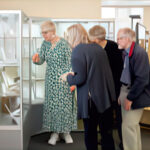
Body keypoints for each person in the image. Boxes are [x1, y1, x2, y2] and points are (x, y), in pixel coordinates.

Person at [61, 24, 116, 150]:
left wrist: (67, 77)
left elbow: (80, 79)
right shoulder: (98, 48)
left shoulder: (78, 50)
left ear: (72, 37)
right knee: (106, 135)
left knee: (90, 136)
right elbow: (95, 73)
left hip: (91, 101)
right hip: (105, 99)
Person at [32, 21, 77, 146]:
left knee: (64, 106)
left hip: (64, 80)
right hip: (50, 80)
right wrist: (36, 59)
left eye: (45, 32)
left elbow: (71, 63)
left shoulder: (64, 43)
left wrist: (72, 82)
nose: (43, 35)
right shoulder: (45, 44)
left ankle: (66, 132)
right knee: (52, 106)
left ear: (52, 31)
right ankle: (55, 133)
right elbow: (41, 59)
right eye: (42, 33)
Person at [88, 25, 124, 150]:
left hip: (112, 90)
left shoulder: (114, 47)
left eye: (92, 39)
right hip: (97, 91)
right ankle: (104, 141)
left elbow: (119, 72)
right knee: (99, 121)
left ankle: (111, 144)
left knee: (110, 122)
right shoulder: (93, 49)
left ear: (97, 38)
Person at [117, 27, 150, 150]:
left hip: (135, 94)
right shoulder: (126, 52)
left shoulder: (139, 53)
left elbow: (142, 79)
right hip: (126, 91)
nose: (117, 41)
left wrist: (129, 98)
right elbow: (126, 75)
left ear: (127, 39)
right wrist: (122, 94)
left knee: (128, 127)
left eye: (119, 38)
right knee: (132, 127)